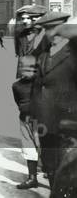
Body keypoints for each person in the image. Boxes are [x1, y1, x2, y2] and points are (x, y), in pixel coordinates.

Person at [30, 12, 77, 193]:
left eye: (53, 29)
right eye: (48, 30)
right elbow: (36, 85)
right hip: (46, 119)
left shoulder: (73, 54)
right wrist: (31, 111)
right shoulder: (43, 56)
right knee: (50, 164)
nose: (50, 34)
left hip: (69, 122)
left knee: (67, 170)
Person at [12, 4, 48, 190]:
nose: (25, 21)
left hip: (43, 87)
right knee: (27, 131)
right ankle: (32, 176)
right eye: (23, 18)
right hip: (26, 86)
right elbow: (21, 57)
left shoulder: (49, 36)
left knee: (44, 133)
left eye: (30, 18)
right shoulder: (21, 35)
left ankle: (50, 172)